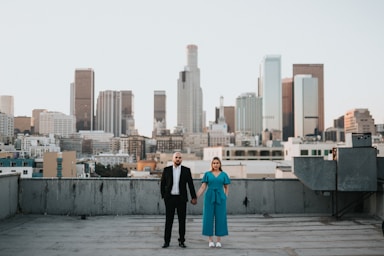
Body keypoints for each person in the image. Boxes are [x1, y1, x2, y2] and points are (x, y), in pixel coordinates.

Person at [160, 152, 197, 248]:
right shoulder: (166, 170)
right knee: (169, 221)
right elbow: (162, 184)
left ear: (182, 159)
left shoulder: (186, 170)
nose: (178, 159)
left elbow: (190, 185)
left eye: (180, 157)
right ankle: (166, 242)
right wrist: (164, 197)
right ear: (173, 159)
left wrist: (193, 197)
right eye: (176, 157)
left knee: (182, 221)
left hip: (181, 199)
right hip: (170, 199)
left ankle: (181, 241)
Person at [196, 156, 230, 248]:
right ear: (212, 164)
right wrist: (196, 197)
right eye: (214, 163)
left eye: (217, 163)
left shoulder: (224, 174)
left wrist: (225, 197)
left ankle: (218, 240)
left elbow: (227, 187)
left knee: (220, 218)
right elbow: (203, 187)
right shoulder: (207, 174)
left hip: (220, 197)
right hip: (209, 196)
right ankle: (210, 240)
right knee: (208, 217)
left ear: (220, 164)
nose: (215, 164)